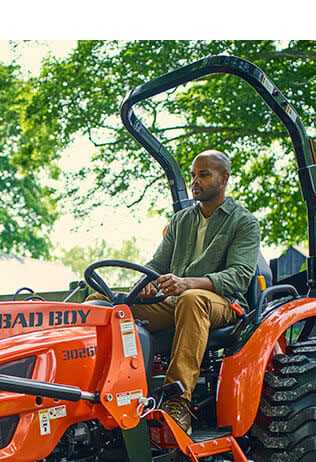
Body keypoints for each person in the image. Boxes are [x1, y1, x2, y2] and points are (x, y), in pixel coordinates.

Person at [91, 149, 261, 433]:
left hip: (221, 304)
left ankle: (177, 402)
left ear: (224, 178)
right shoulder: (181, 220)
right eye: (193, 175)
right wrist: (144, 285)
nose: (196, 181)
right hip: (175, 301)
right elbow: (156, 264)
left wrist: (188, 283)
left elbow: (239, 276)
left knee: (191, 299)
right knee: (103, 305)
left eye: (204, 175)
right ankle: (101, 391)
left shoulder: (243, 222)